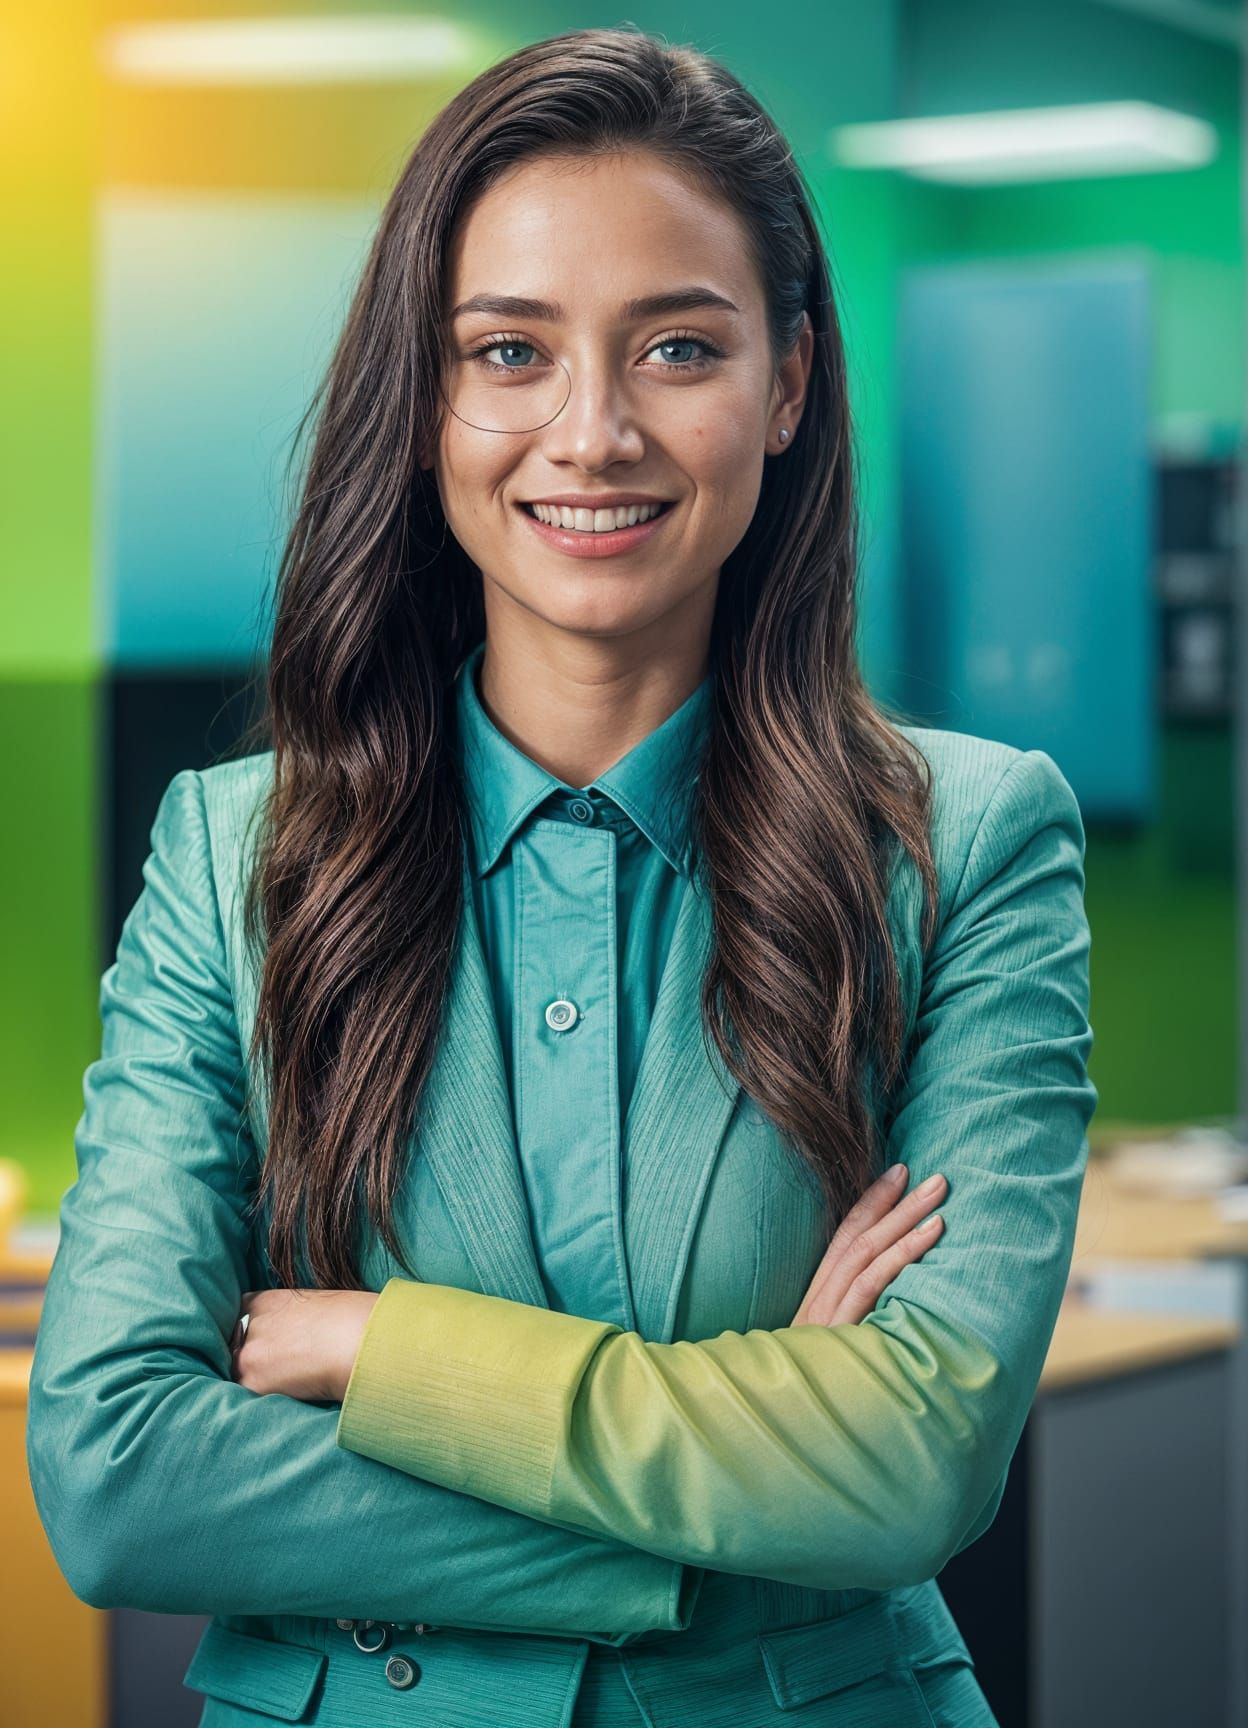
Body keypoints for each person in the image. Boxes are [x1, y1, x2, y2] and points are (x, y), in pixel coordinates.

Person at [26, 26, 1097, 1728]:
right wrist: (722, 1486)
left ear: (791, 383)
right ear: (430, 398)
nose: (590, 433)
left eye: (678, 347)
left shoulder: (964, 845)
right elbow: (120, 1470)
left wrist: (384, 1356)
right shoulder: (239, 853)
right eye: (509, 352)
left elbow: (907, 1473)